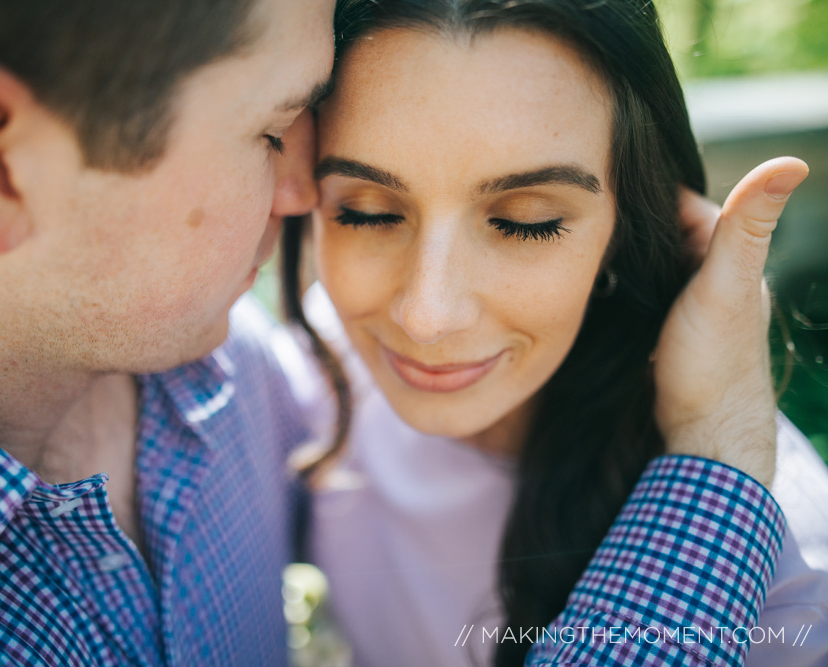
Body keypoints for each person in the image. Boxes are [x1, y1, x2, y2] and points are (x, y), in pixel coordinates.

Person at [0, 2, 800, 667]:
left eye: (526, 219)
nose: (301, 196)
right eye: (272, 128)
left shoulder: (236, 383)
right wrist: (714, 454)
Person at [278, 0, 826, 665]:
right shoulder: (314, 376)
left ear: (628, 228)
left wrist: (711, 435)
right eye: (366, 212)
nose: (426, 315)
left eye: (525, 222)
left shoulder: (785, 568)